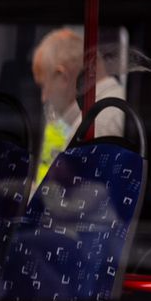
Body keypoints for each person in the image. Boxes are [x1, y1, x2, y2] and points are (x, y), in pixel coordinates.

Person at [31, 27, 124, 184]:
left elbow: (71, 197)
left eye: (44, 86)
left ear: (62, 77)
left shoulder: (92, 127)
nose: (44, 97)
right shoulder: (122, 104)